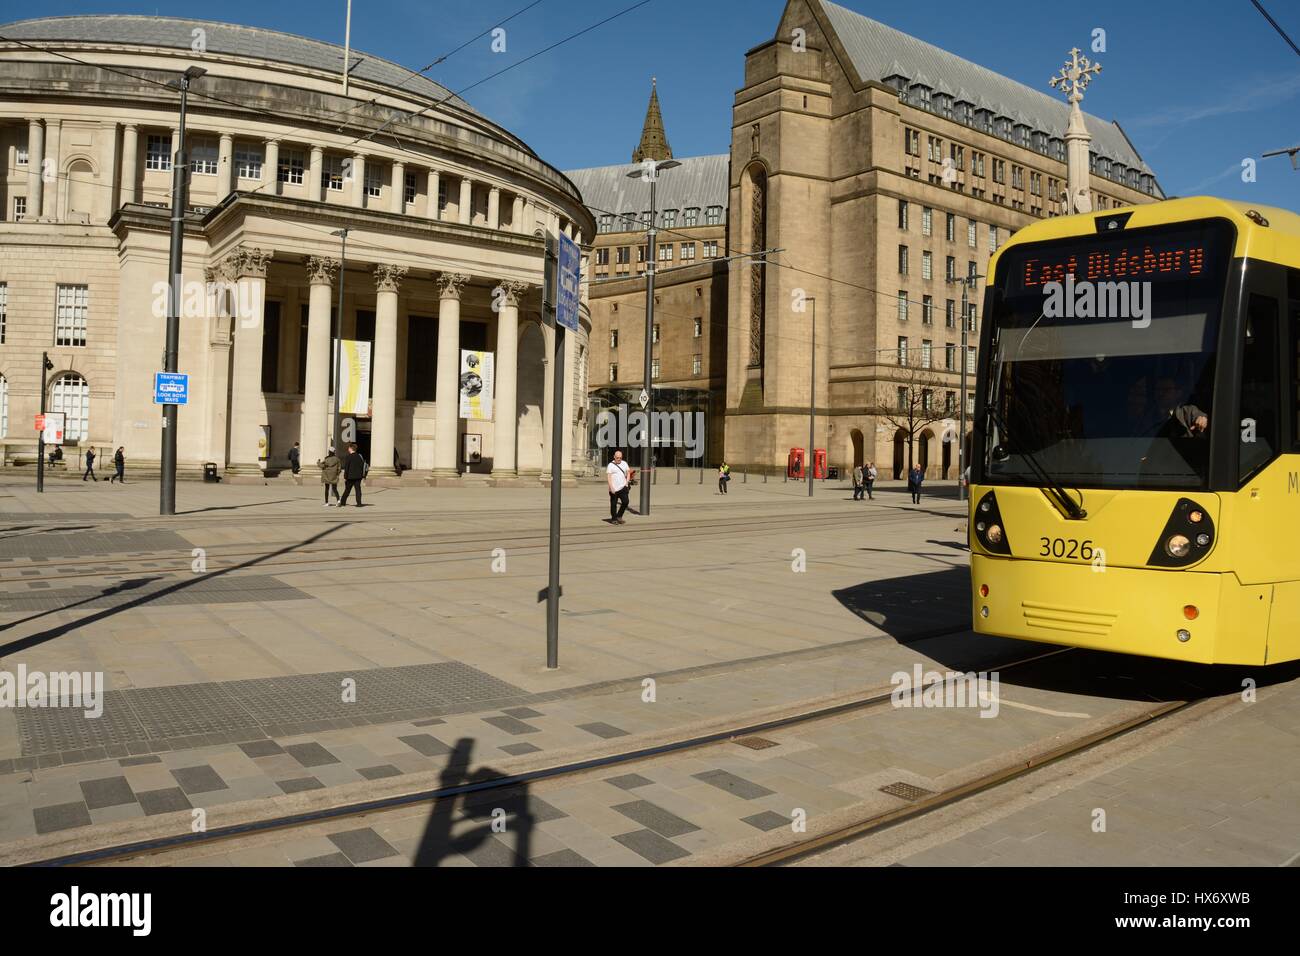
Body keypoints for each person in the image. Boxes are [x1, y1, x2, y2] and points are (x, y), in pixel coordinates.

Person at [339, 443, 367, 507]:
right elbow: (362, 466)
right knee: (358, 490)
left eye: (349, 448)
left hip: (350, 477)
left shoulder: (349, 457)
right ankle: (359, 503)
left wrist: (345, 476)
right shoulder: (359, 456)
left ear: (351, 448)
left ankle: (343, 502)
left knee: (347, 490)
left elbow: (347, 467)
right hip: (358, 477)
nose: (348, 449)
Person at [607, 450, 631, 524]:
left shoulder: (624, 463)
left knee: (625, 502)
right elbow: (609, 477)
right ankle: (614, 519)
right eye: (617, 458)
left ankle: (619, 516)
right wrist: (611, 487)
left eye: (620, 458)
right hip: (613, 488)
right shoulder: (610, 465)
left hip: (623, 487)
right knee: (613, 504)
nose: (619, 459)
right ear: (614, 457)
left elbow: (628, 473)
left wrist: (626, 483)